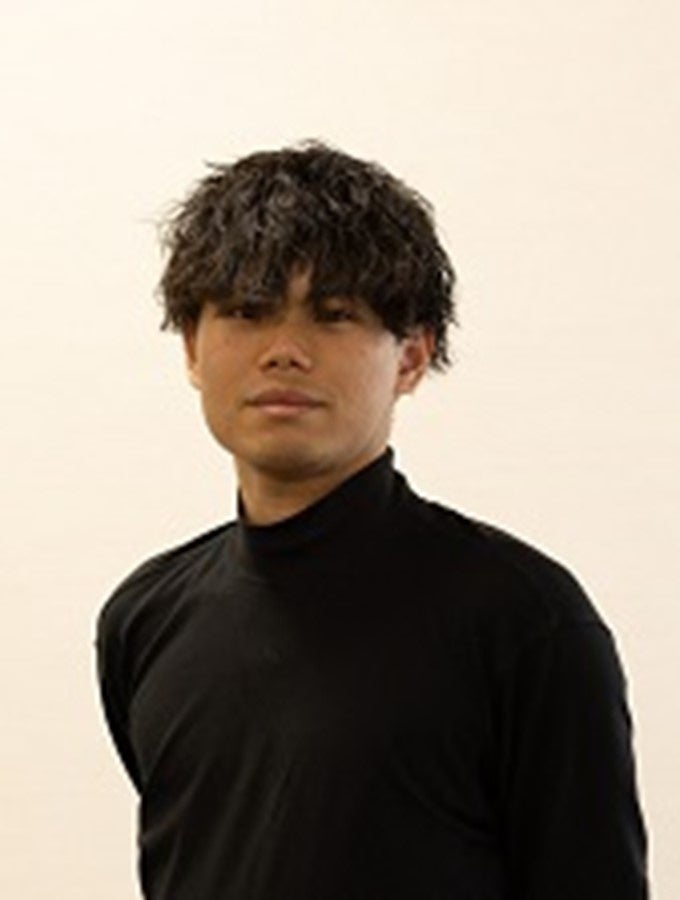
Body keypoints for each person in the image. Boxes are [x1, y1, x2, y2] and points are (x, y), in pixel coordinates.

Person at [95, 140, 649, 900]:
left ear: (412, 357)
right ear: (193, 348)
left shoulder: (525, 622)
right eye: (248, 312)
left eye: (334, 315)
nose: (284, 351)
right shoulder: (145, 618)